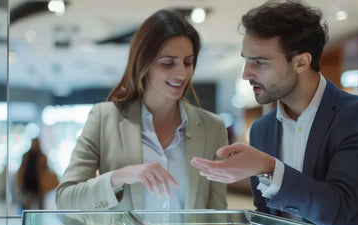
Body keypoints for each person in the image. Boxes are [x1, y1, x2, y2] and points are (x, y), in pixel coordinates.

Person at [191, 0, 358, 225]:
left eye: (259, 62)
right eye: (246, 59)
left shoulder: (357, 117)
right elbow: (266, 216)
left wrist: (269, 168)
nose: (246, 73)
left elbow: (338, 209)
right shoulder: (262, 129)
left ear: (301, 62)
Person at [55, 9, 228, 211]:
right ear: (142, 64)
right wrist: (117, 177)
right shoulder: (104, 118)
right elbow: (65, 199)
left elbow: (218, 217)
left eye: (188, 62)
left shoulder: (213, 128)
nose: (182, 73)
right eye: (168, 63)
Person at [16, 138, 58, 209]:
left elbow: (46, 170)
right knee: (27, 206)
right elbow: (21, 171)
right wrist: (20, 183)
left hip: (38, 186)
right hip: (28, 185)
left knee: (40, 206)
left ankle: (40, 219)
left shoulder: (42, 156)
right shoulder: (26, 156)